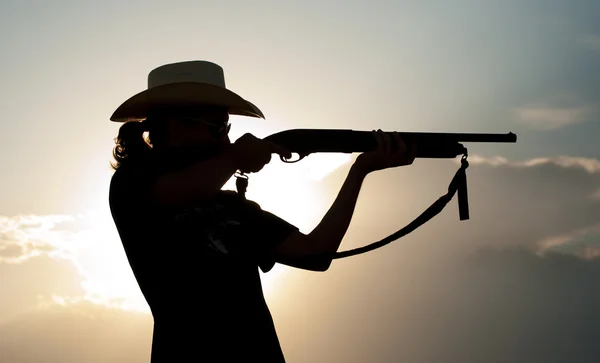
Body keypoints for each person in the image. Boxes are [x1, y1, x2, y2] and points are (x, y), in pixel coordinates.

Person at [108, 60, 416, 363]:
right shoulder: (131, 184)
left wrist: (360, 170)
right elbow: (183, 190)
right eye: (218, 128)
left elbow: (316, 253)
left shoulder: (231, 204)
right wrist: (236, 157)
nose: (226, 138)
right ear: (176, 125)